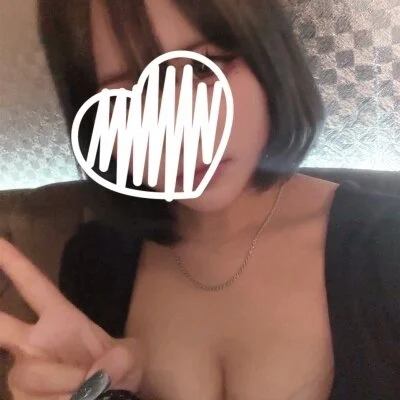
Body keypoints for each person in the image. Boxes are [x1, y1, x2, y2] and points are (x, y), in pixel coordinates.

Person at [0, 0, 399, 399]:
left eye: (204, 67)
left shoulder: (386, 248)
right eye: (128, 93)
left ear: (268, 57)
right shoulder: (94, 261)